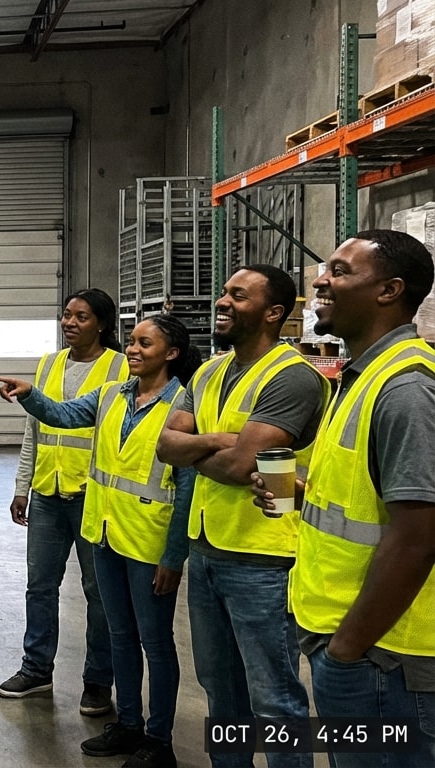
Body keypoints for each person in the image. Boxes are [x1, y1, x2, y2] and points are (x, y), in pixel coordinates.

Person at [252, 230, 435, 767]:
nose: (320, 281)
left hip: (384, 658)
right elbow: (372, 501)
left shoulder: (406, 389)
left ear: (389, 290)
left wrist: (348, 649)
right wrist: (302, 492)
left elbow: (419, 536)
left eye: (339, 271)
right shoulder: (358, 377)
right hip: (352, 642)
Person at [0, 314, 201, 768]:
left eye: (144, 344)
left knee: (156, 641)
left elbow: (186, 487)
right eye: (130, 342)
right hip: (104, 533)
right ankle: (128, 724)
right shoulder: (112, 394)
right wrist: (30, 395)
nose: (132, 349)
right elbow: (64, 415)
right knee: (121, 635)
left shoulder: (184, 407)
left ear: (170, 353)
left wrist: (174, 554)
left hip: (148, 544)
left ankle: (158, 739)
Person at [156, 264, 328, 768]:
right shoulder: (208, 371)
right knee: (219, 689)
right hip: (206, 550)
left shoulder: (293, 378)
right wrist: (220, 441)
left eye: (238, 295)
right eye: (223, 292)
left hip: (264, 559)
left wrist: (206, 450)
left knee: (274, 698)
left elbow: (241, 465)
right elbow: (166, 445)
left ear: (274, 313)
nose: (222, 302)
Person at [0, 288, 127, 717]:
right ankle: (36, 669)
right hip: (48, 495)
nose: (70, 323)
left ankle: (97, 682)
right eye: (67, 315)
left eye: (81, 317)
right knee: (40, 586)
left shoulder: (121, 368)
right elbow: (34, 432)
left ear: (102, 324)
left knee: (99, 593)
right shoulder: (49, 364)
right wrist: (23, 486)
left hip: (93, 496)